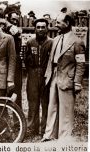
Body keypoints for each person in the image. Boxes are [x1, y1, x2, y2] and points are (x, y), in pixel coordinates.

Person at [41, 12, 85, 142]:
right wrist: (47, 76)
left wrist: (77, 83)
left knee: (66, 110)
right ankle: (49, 135)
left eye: (59, 22)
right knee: (52, 107)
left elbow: (81, 64)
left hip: (67, 79)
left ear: (67, 23)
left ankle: (64, 138)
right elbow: (51, 60)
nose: (56, 25)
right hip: (54, 77)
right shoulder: (56, 39)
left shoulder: (77, 42)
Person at [25, 18, 53, 136]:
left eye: (43, 27)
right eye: (38, 27)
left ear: (47, 29)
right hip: (33, 74)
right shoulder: (30, 42)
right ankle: (32, 128)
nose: (40, 29)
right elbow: (26, 59)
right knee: (33, 102)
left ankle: (45, 129)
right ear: (35, 29)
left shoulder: (51, 42)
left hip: (46, 74)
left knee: (46, 103)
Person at [1, 11, 23, 109]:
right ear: (8, 18)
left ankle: (17, 121)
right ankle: (3, 119)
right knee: (2, 90)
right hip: (3, 61)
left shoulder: (17, 29)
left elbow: (15, 31)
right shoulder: (2, 30)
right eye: (13, 19)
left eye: (16, 20)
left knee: (16, 90)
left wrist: (6, 22)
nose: (15, 21)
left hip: (15, 61)